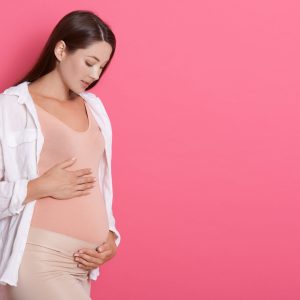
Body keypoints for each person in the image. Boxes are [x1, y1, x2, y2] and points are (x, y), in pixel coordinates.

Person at [0, 10, 121, 300]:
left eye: (101, 67)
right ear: (61, 49)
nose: (95, 75)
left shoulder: (95, 108)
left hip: (82, 267)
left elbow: (100, 183)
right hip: (39, 258)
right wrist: (39, 187)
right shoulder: (11, 108)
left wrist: (110, 236)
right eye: (90, 63)